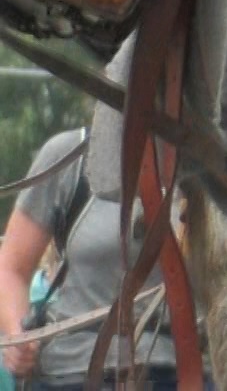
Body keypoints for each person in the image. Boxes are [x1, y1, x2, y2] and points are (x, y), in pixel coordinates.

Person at [0, 129, 178, 390]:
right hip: (73, 373)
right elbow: (11, 267)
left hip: (183, 370)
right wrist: (18, 337)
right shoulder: (71, 156)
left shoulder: (207, 158)